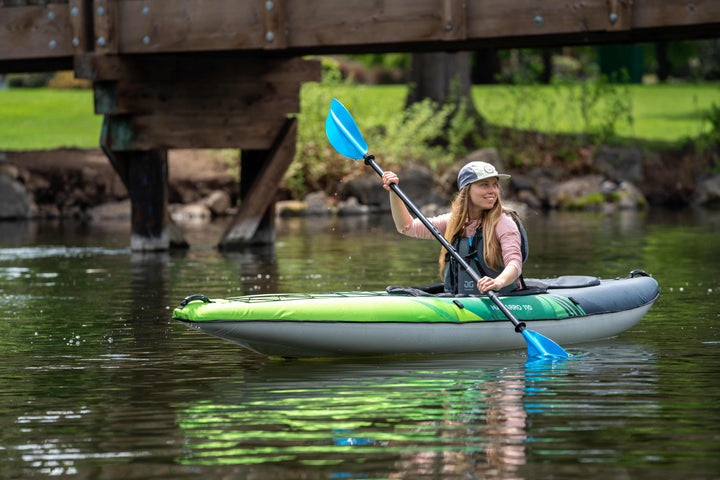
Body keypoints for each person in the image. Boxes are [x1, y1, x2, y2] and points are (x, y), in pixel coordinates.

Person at [382, 161, 524, 295]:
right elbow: (407, 227)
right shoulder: (453, 222)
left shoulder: (504, 223)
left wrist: (498, 282)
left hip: (500, 295)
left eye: (495, 185)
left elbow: (514, 263)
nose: (493, 191)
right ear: (467, 190)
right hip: (461, 296)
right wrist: (394, 193)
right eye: (485, 185)